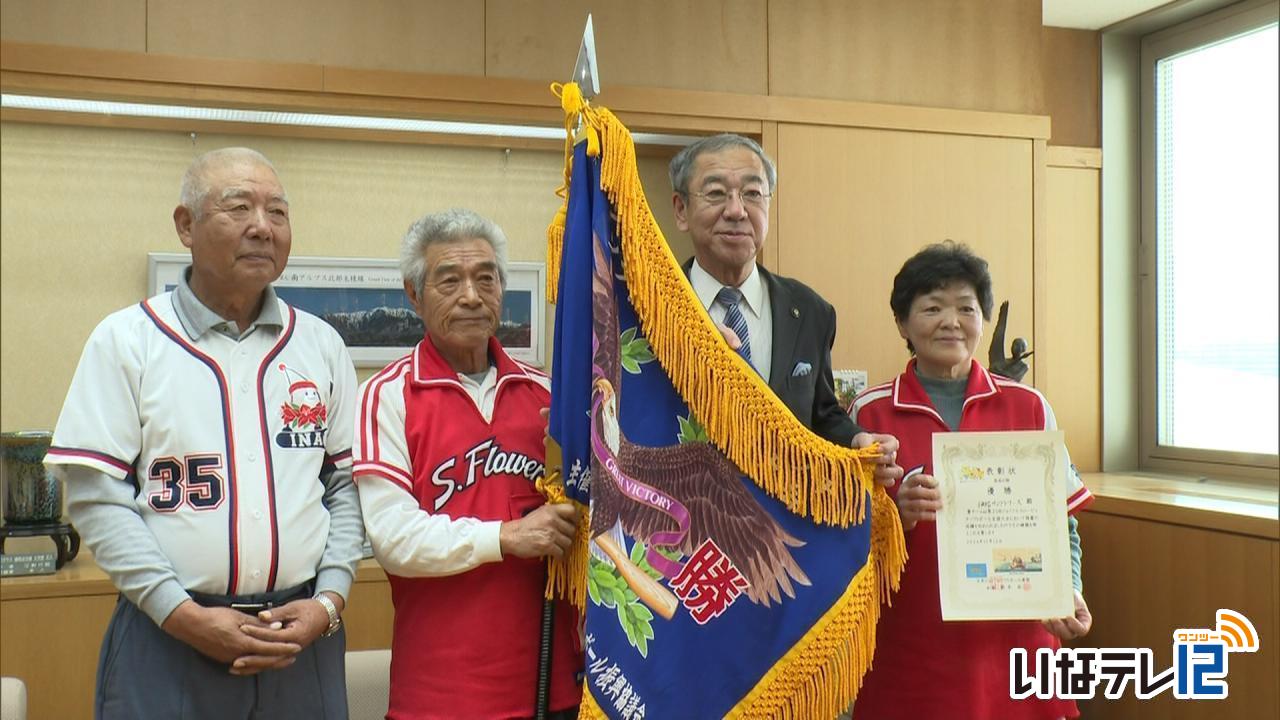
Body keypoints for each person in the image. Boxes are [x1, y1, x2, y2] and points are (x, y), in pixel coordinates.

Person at [46, 147, 362, 719]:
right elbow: (97, 498)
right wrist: (183, 616)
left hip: (301, 639)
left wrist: (329, 601)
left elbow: (345, 488)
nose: (262, 228)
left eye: (278, 212)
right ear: (185, 225)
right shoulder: (127, 340)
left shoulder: (321, 345)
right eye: (238, 207)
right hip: (167, 636)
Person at [849, 241, 1095, 719]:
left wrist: (1068, 588)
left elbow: (1062, 523)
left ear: (982, 318)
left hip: (1017, 643)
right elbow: (845, 538)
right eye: (932, 307)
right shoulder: (870, 414)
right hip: (913, 642)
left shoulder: (1028, 406)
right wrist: (896, 517)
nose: (951, 321)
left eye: (966, 307)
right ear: (902, 322)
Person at [353, 209, 582, 719]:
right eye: (449, 281)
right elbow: (393, 538)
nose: (472, 296)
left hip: (557, 687)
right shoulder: (385, 396)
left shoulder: (548, 394)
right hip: (441, 695)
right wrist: (504, 538)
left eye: (486, 278)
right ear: (414, 295)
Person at [670, 133, 903, 483]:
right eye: (716, 193)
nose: (736, 211)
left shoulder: (810, 310)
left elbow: (821, 415)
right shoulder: (655, 306)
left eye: (752, 194)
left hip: (782, 522)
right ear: (681, 210)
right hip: (681, 516)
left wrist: (857, 440)